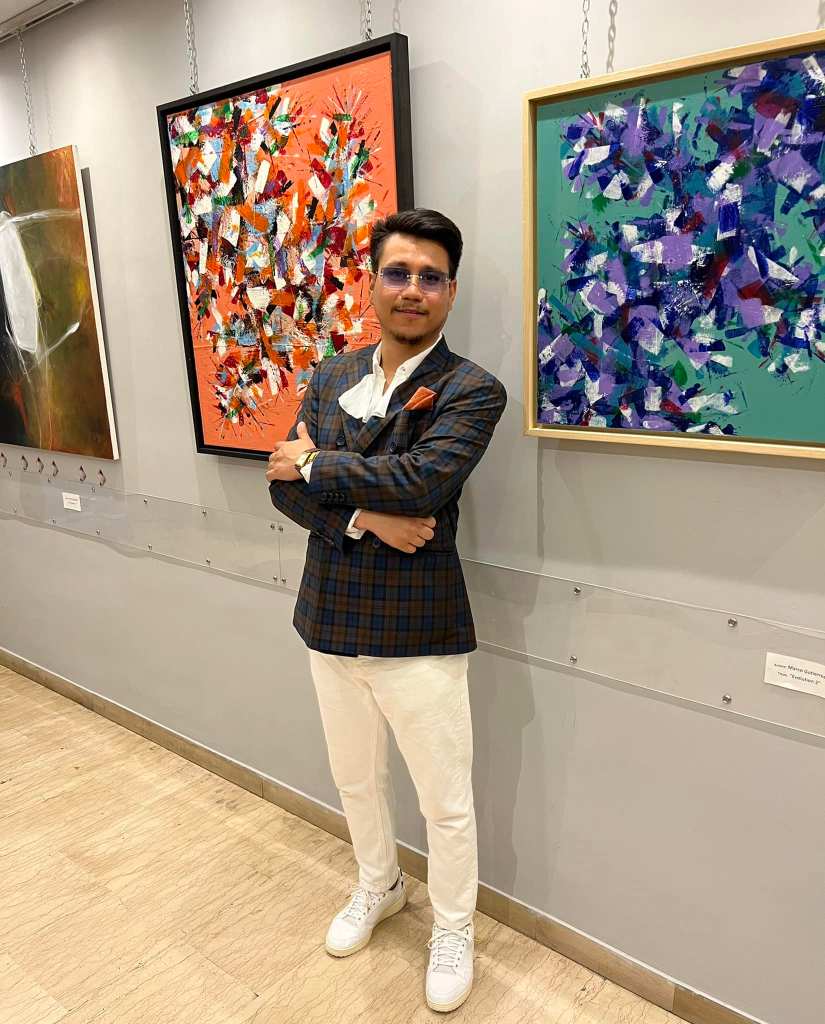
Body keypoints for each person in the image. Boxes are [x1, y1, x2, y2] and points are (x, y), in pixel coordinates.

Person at [266, 208, 507, 1013]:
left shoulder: (472, 389)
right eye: (398, 273)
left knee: (444, 800)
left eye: (429, 277)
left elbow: (422, 481)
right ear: (371, 283)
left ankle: (453, 926)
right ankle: (380, 883)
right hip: (328, 615)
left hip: (418, 631)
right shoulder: (331, 375)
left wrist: (314, 463)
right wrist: (365, 517)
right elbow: (279, 488)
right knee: (355, 779)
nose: (412, 289)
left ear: (449, 292)